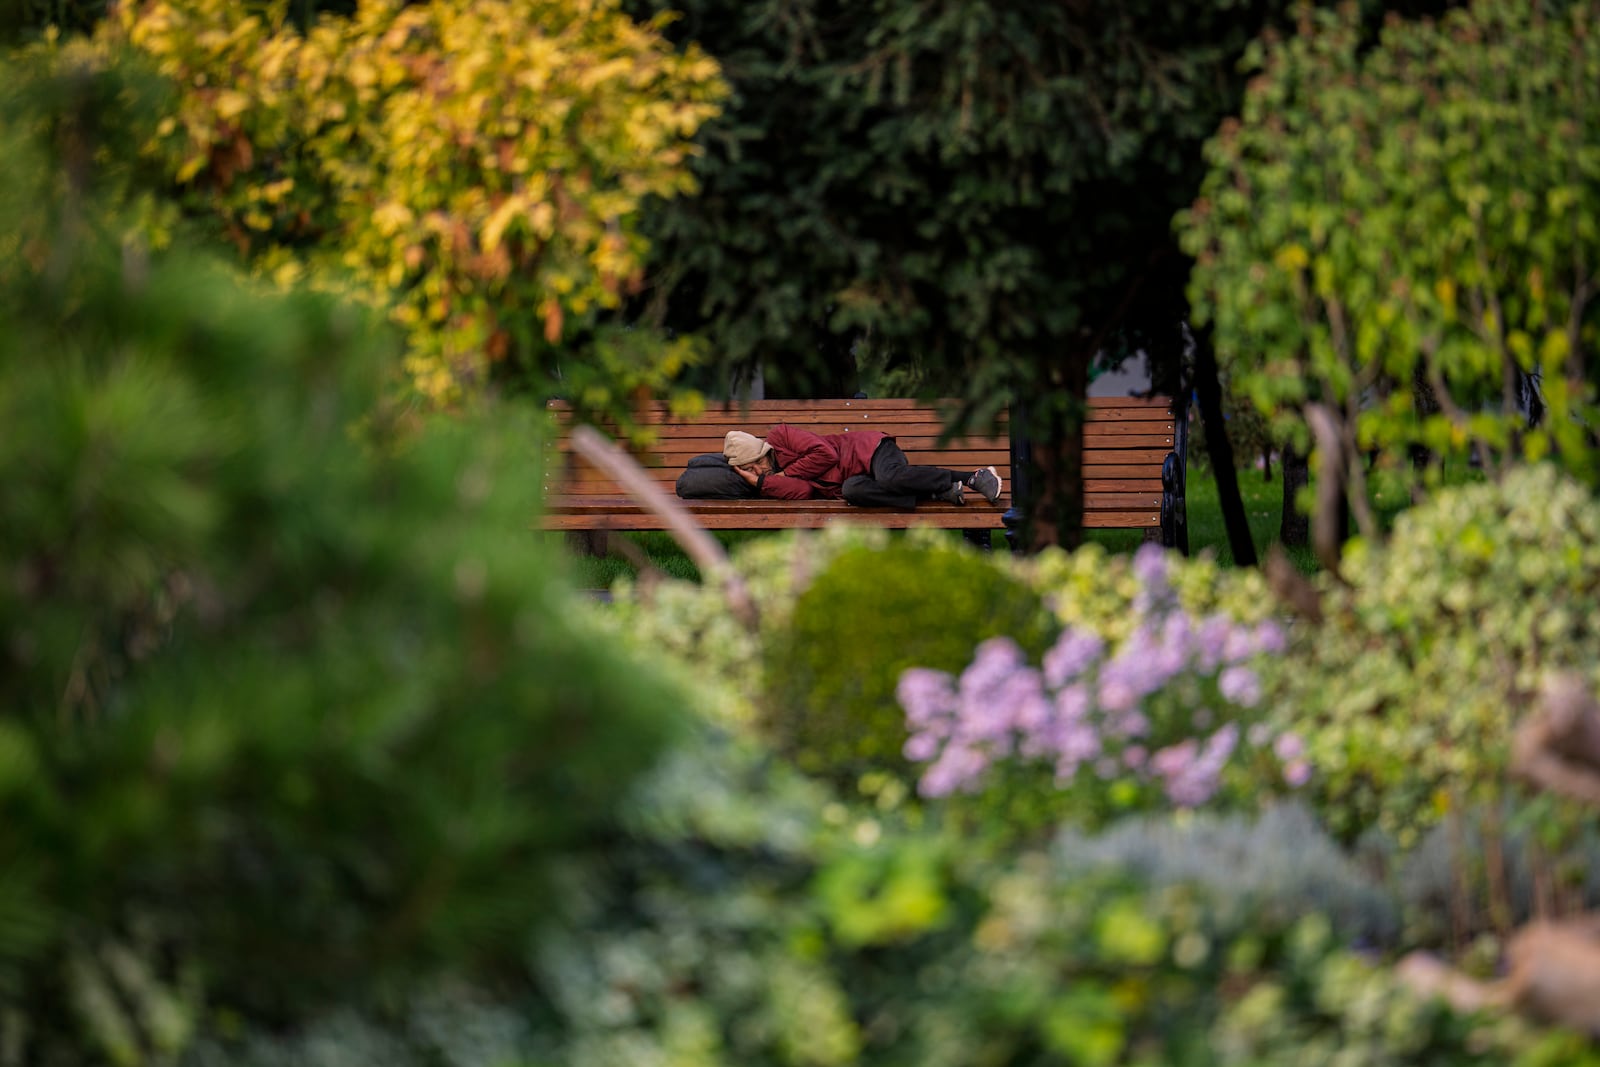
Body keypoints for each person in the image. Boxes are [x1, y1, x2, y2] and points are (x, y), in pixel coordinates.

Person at [723, 426, 1002, 509]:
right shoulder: (769, 480)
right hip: (859, 478)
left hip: (870, 451)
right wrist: (761, 485)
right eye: (749, 470)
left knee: (891, 478)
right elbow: (804, 492)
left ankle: (974, 477)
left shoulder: (780, 436)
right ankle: (936, 493)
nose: (758, 471)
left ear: (761, 455)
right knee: (851, 492)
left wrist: (785, 473)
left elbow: (826, 453)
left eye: (755, 466)